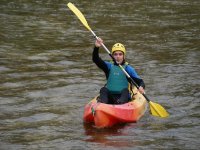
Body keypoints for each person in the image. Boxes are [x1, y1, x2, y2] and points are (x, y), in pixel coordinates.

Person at [93, 38, 145, 104]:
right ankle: (102, 105)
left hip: (123, 98)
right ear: (112, 56)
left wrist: (141, 87)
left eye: (120, 54)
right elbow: (96, 59)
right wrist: (96, 47)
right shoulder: (109, 66)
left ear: (123, 56)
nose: (118, 56)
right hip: (110, 97)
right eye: (115, 54)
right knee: (103, 90)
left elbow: (140, 81)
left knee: (125, 91)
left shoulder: (128, 68)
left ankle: (119, 104)